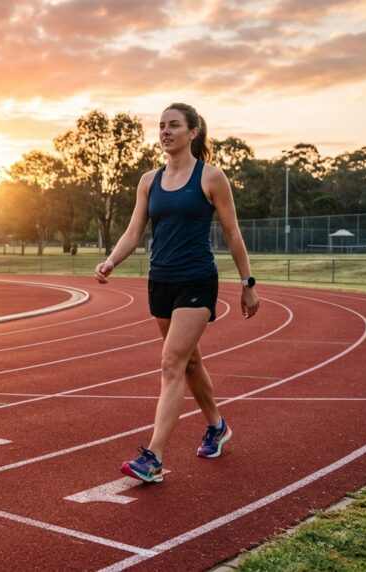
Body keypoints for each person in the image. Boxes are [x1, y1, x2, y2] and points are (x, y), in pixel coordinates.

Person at [94, 102, 259, 483]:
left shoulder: (211, 177)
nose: (165, 131)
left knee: (170, 364)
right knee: (190, 363)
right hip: (160, 282)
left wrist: (247, 284)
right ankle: (217, 426)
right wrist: (111, 261)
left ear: (193, 132)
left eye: (173, 125)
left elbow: (233, 233)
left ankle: (153, 457)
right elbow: (135, 231)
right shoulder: (149, 180)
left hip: (196, 280)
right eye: (161, 126)